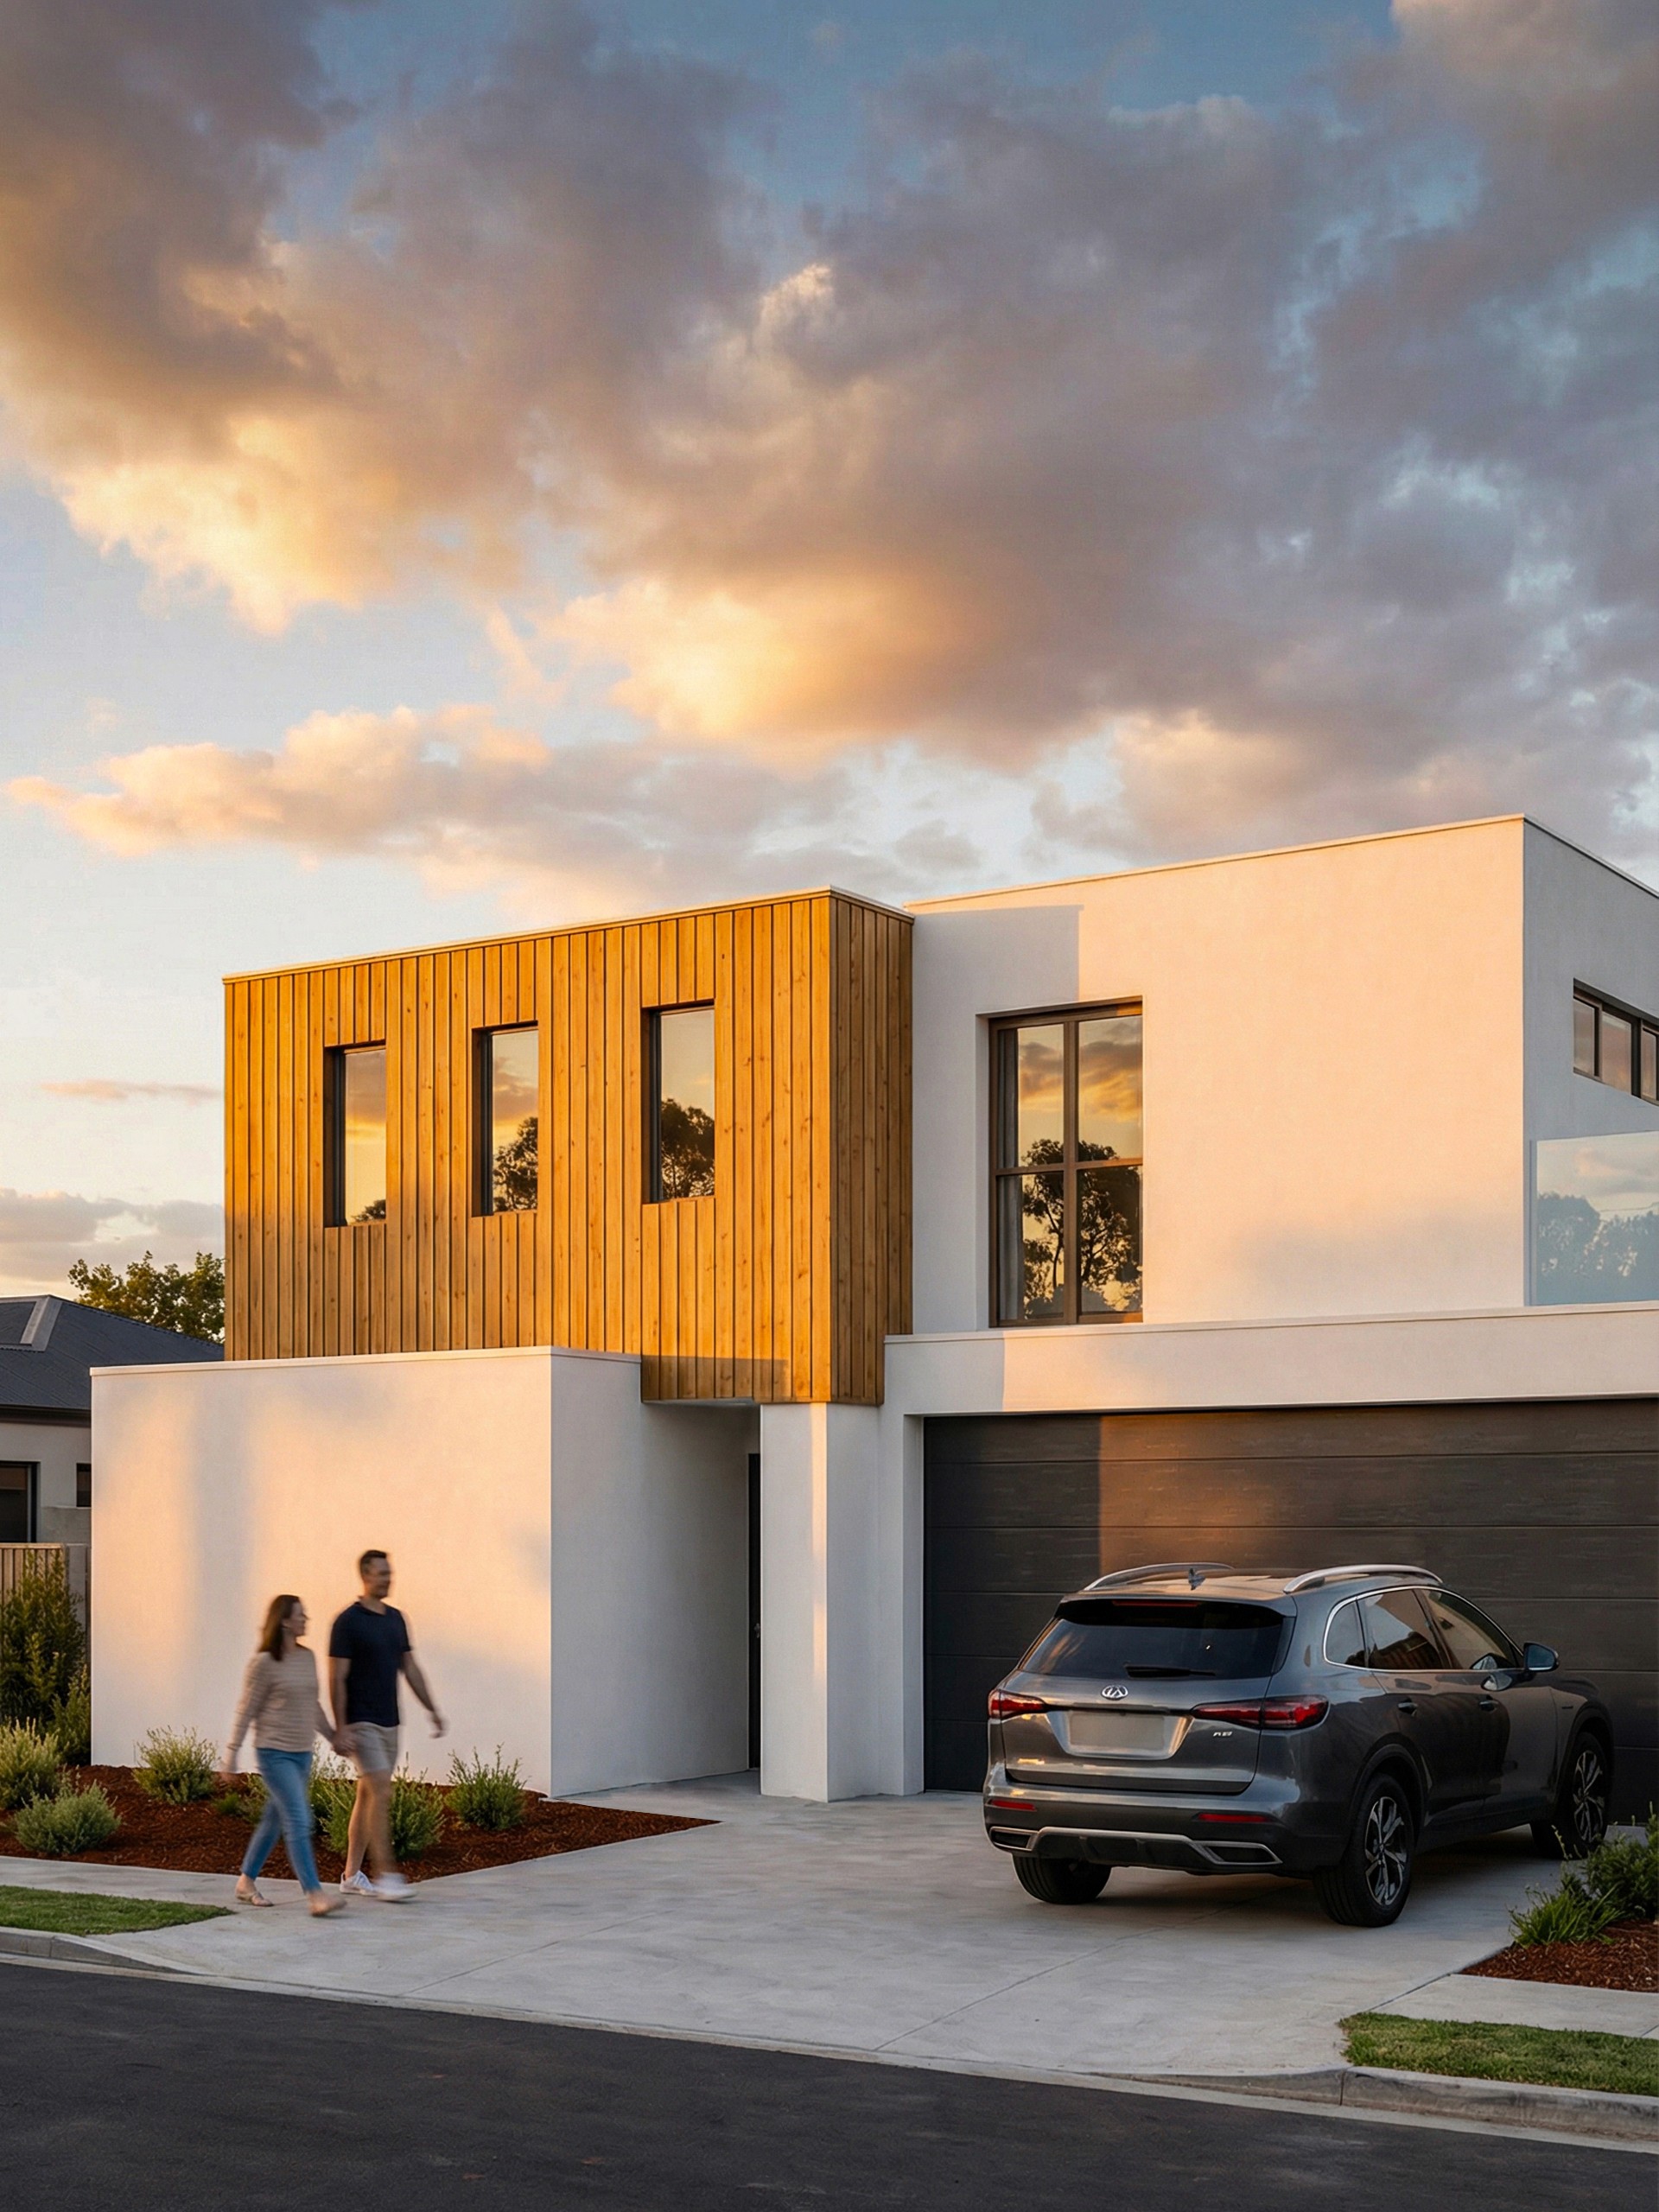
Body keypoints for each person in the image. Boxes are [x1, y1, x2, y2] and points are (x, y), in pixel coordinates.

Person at [328, 1549, 445, 1901]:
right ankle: (387, 1874)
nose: (388, 1578)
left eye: (389, 1572)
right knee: (381, 1789)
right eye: (381, 1573)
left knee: (368, 1795)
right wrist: (341, 1726)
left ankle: (351, 1875)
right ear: (365, 1575)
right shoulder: (347, 1622)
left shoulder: (396, 1619)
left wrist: (431, 1708)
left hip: (390, 1721)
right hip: (361, 1721)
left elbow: (410, 1668)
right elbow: (336, 1677)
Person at [221, 1595, 345, 1916]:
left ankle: (245, 1881)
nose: (306, 1620)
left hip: (302, 1753)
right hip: (274, 1753)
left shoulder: (307, 1658)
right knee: (299, 1819)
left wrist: (332, 1736)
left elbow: (312, 1704)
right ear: (286, 1621)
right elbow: (246, 1710)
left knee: (274, 1820)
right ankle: (315, 1894)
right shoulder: (264, 1663)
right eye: (301, 1615)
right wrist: (231, 1755)